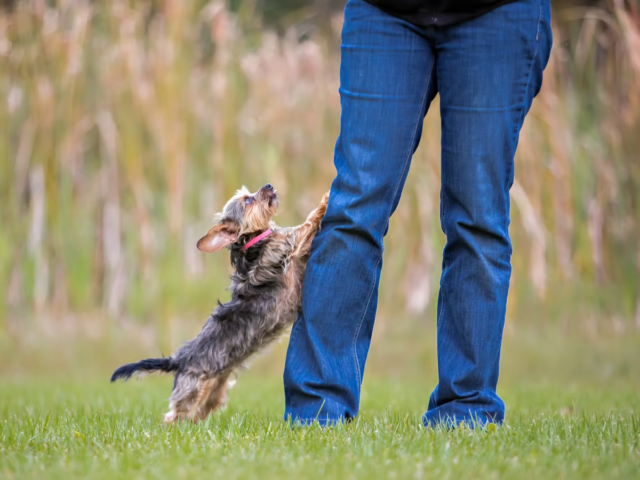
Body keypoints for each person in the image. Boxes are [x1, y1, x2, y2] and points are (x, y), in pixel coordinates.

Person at [283, 0, 553, 427]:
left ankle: (466, 412)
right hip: (385, 11)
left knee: (478, 215)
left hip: (497, 13)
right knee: (354, 208)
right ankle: (316, 412)